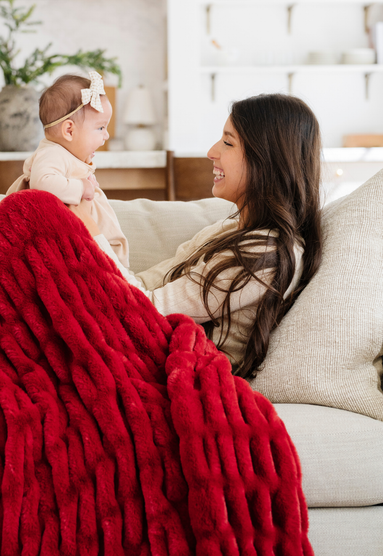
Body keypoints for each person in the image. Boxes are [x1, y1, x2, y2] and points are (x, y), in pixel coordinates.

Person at [71, 93, 323, 379]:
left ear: (267, 161)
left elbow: (146, 310)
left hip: (162, 367)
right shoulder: (232, 229)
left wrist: (90, 234)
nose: (212, 151)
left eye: (228, 142)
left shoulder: (265, 254)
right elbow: (144, 286)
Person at [7, 72, 130, 266]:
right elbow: (43, 182)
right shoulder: (52, 154)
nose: (106, 135)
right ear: (69, 130)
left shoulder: (66, 155)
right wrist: (81, 187)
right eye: (100, 128)